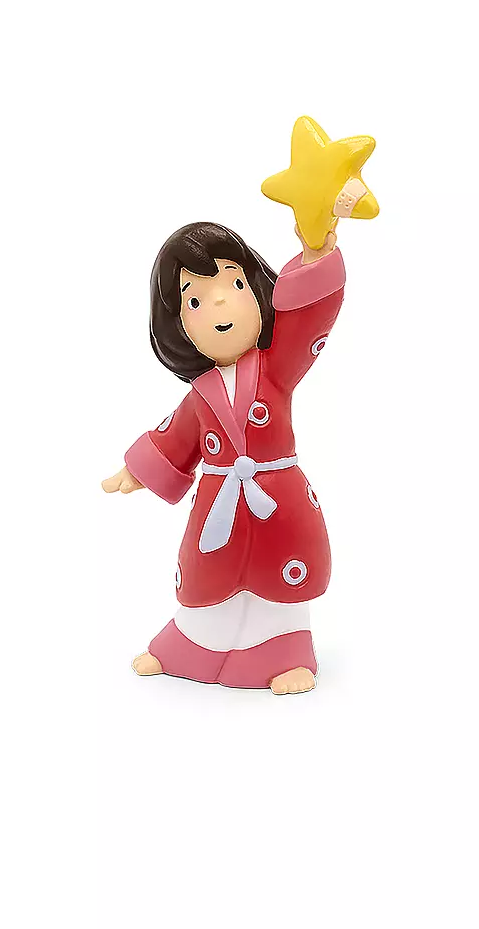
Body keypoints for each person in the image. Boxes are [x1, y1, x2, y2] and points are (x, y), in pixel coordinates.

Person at [102, 218, 345, 694]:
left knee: (280, 575)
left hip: (277, 500)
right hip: (219, 504)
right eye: (194, 299)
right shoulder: (201, 394)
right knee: (208, 575)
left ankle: (286, 652)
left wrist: (315, 258)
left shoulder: (277, 368)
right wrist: (137, 470)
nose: (218, 304)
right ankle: (191, 647)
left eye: (233, 284)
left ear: (256, 289)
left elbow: (307, 323)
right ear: (178, 325)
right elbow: (175, 437)